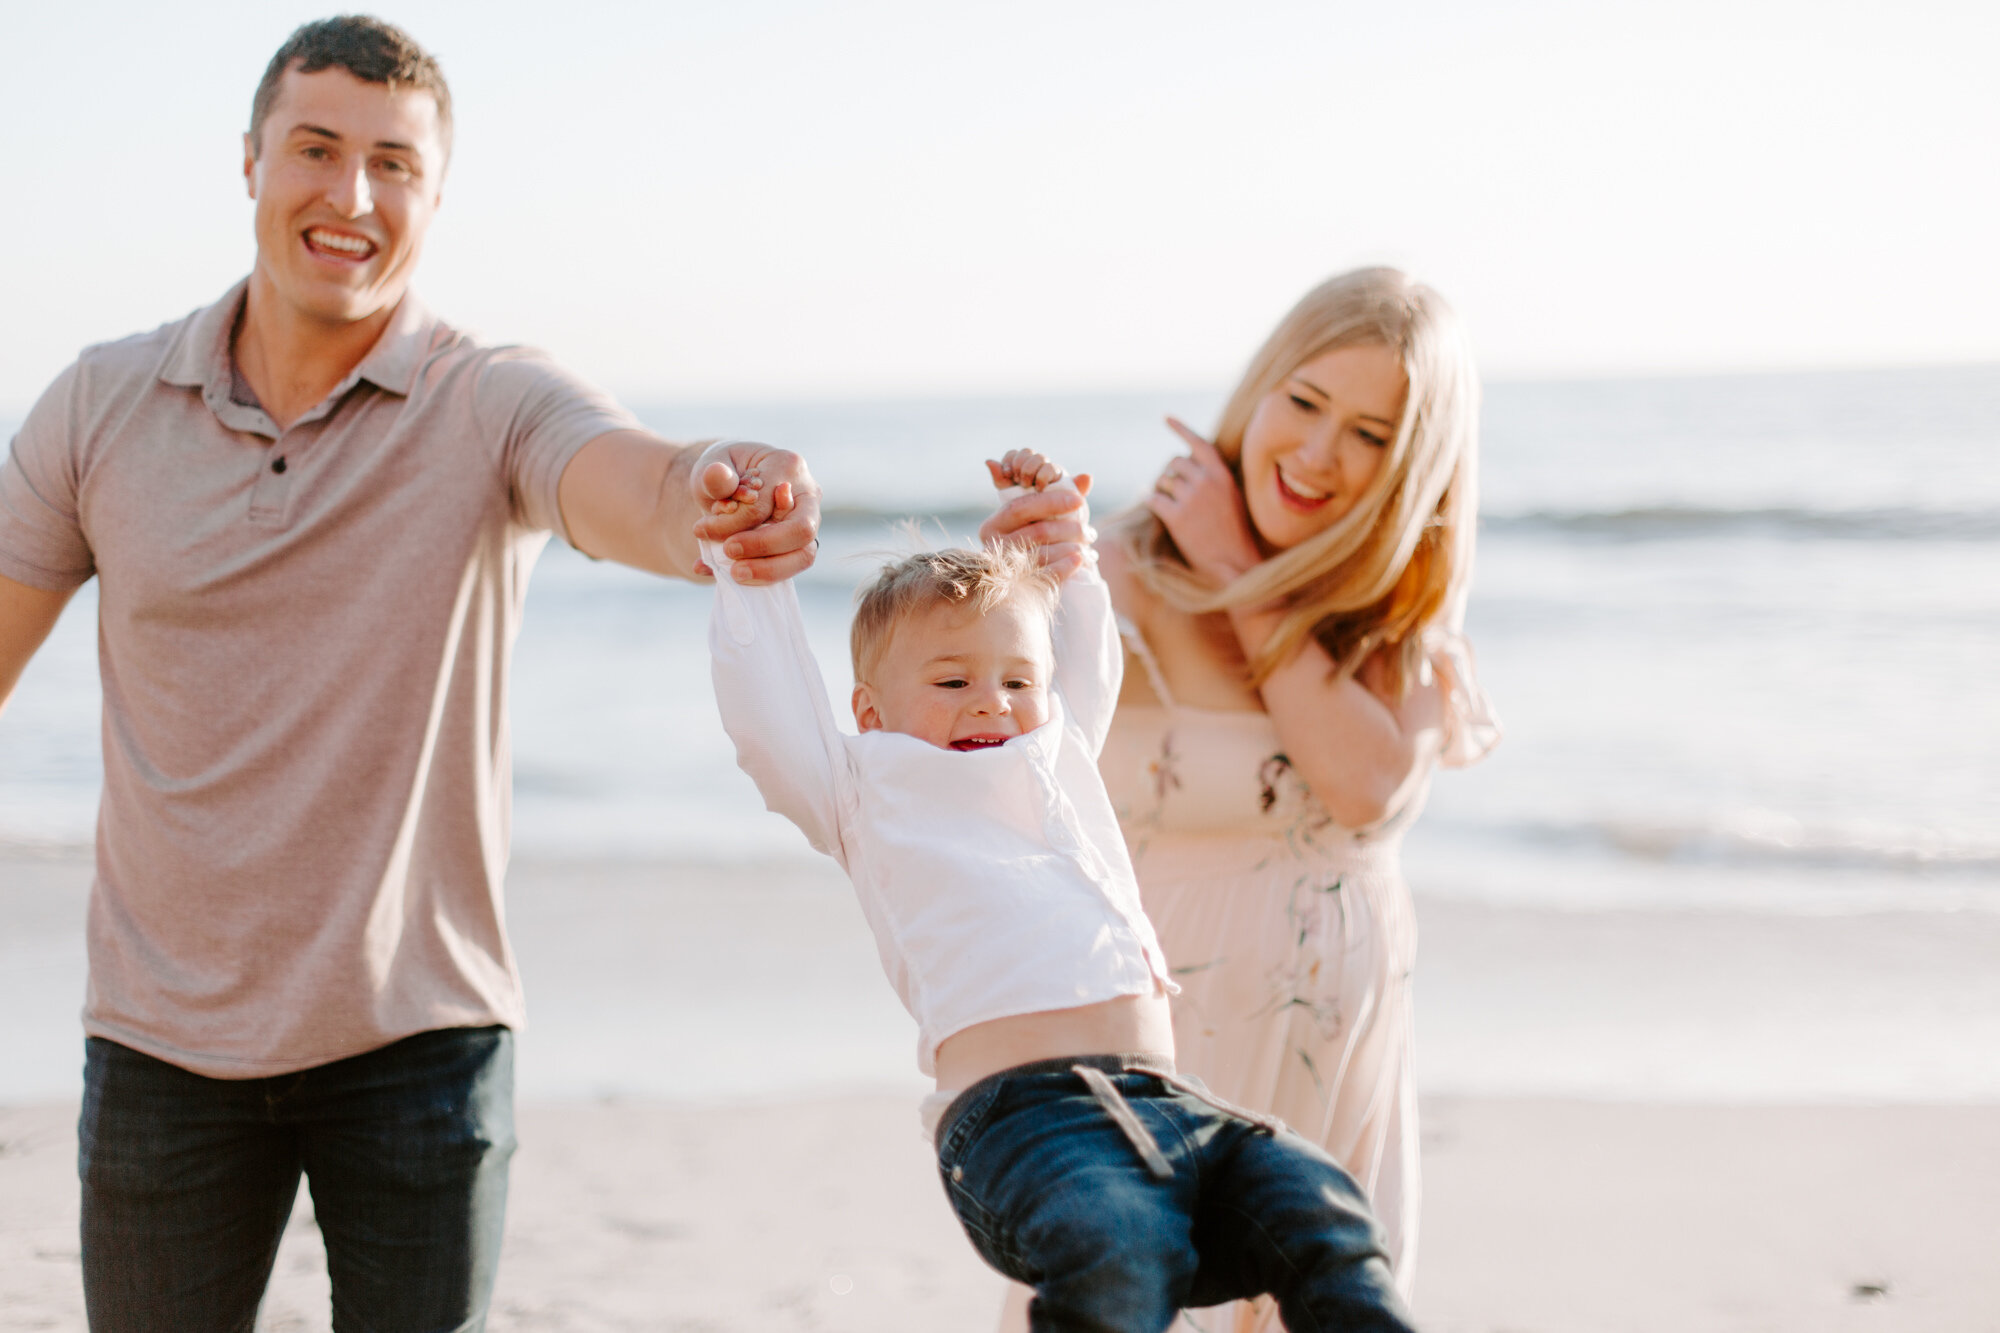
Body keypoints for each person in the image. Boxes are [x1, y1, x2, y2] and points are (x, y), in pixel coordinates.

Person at [0, 17, 819, 1331]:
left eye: (394, 165)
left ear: (435, 195)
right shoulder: (97, 407)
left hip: (419, 1045)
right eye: (316, 151)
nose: (352, 198)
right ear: (252, 161)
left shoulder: (489, 400)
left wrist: (719, 494)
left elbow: (636, 482)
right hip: (160, 1046)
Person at [699, 449, 1418, 1333]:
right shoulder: (863, 788)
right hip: (1022, 1126)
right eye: (953, 681)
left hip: (1167, 1103)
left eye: (1015, 683)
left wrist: (1062, 543)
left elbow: (1084, 660)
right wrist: (751, 578)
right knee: (1120, 1252)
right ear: (872, 713)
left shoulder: (1057, 758)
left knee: (1321, 1208)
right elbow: (768, 714)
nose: (993, 705)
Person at [984, 268, 1498, 1329]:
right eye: (1303, 403)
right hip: (1156, 1074)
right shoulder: (1114, 568)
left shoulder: (1389, 605)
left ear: (1413, 464)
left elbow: (1360, 785)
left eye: (1369, 433)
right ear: (1258, 389)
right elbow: (976, 757)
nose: (1316, 455)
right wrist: (1003, 587)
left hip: (1335, 1080)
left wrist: (1240, 568)